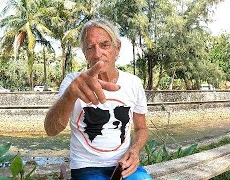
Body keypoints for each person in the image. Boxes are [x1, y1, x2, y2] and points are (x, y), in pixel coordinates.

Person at [44, 18, 152, 180]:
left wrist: (134, 151)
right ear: (84, 53)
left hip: (123, 165)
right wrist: (70, 95)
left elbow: (141, 129)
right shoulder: (72, 82)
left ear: (117, 47)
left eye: (105, 45)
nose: (97, 54)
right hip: (86, 166)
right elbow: (51, 130)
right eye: (90, 47)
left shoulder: (133, 83)